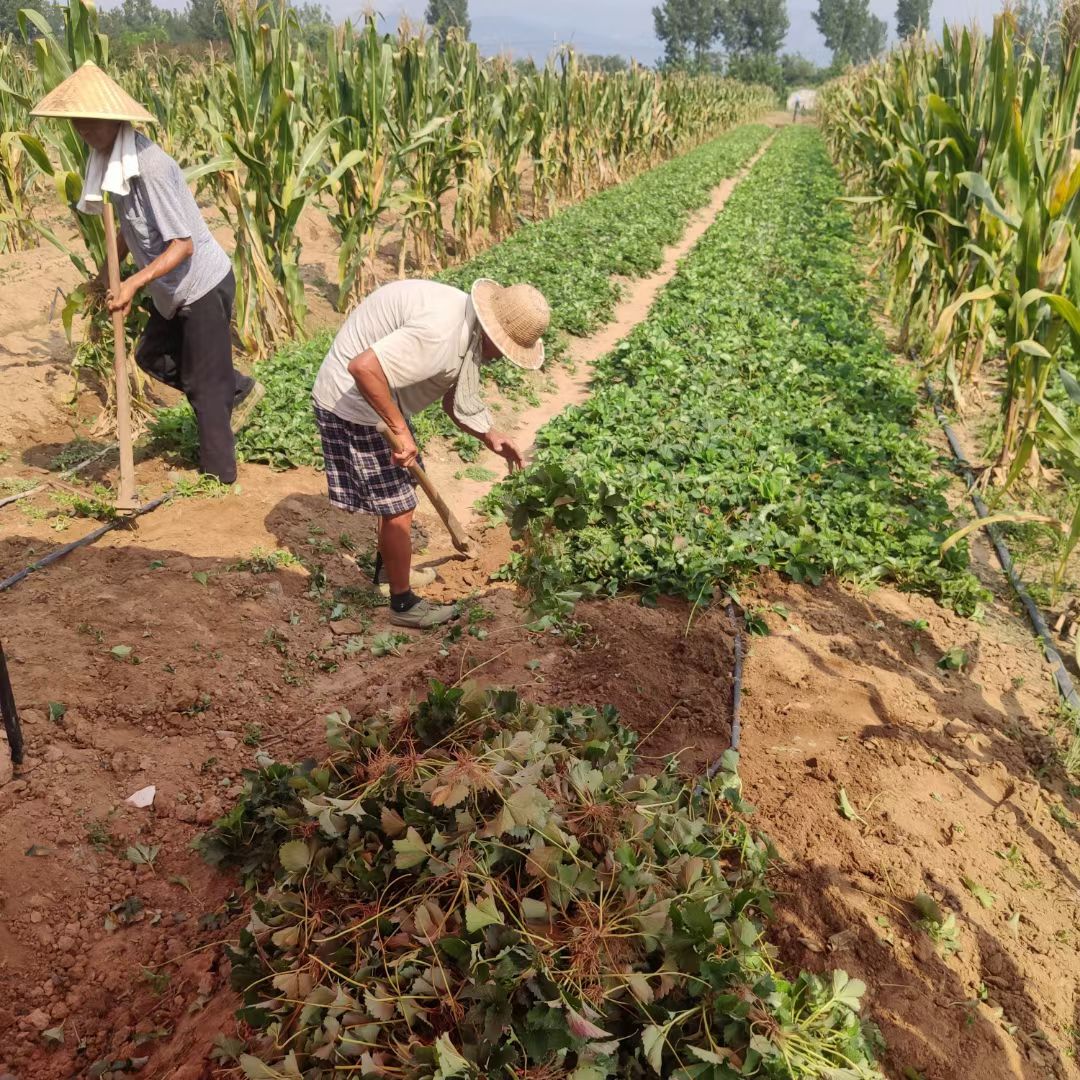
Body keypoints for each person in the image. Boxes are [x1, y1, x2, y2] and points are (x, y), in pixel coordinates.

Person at [30, 62, 261, 485]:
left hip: (201, 285)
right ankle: (235, 388)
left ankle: (219, 477)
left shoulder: (152, 166)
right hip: (170, 289)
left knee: (206, 389)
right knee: (152, 356)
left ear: (114, 121)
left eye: (89, 122)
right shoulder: (109, 163)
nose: (81, 128)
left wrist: (132, 283)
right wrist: (106, 274)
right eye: (75, 121)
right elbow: (127, 224)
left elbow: (183, 244)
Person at [311, 277, 550, 628]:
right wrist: (399, 428)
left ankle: (388, 573)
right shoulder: (441, 334)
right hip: (353, 404)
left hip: (378, 400)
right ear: (493, 333)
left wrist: (489, 434)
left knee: (401, 492)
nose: (501, 357)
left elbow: (455, 396)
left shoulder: (466, 327)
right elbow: (363, 368)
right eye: (504, 348)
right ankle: (403, 605)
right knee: (400, 505)